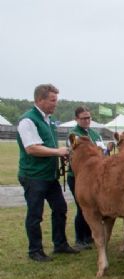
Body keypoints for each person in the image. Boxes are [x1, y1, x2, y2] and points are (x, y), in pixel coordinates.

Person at [16, 84, 79, 262]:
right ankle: (35, 250)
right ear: (40, 100)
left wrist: (61, 154)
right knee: (35, 214)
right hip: (33, 176)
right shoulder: (28, 120)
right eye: (52, 100)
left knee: (60, 208)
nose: (55, 104)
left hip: (49, 176)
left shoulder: (49, 120)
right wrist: (58, 152)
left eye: (56, 100)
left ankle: (60, 244)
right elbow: (32, 148)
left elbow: (47, 145)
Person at [67, 106, 108, 250]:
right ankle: (80, 238)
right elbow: (70, 152)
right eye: (83, 118)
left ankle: (89, 236)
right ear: (77, 119)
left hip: (96, 175)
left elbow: (103, 151)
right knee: (82, 207)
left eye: (88, 118)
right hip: (79, 176)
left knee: (93, 207)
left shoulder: (95, 134)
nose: (87, 120)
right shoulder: (73, 135)